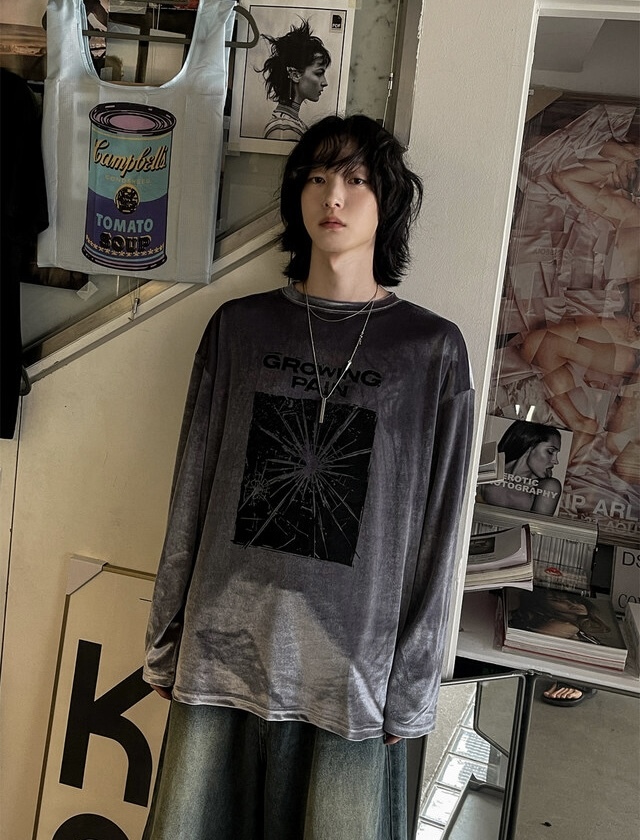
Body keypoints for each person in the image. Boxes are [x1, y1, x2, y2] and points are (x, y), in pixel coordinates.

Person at [142, 114, 474, 839]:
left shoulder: (430, 352)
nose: (334, 196)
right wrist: (165, 640)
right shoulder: (240, 329)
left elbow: (441, 532)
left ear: (387, 201)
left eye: (356, 179)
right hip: (222, 652)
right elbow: (192, 489)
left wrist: (413, 685)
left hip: (352, 673)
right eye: (317, 177)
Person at [258, 19, 330, 141]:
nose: (325, 82)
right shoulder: (283, 130)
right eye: (319, 73)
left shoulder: (291, 124)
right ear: (295, 75)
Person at [478, 420, 563, 515]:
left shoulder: (547, 486)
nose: (556, 461)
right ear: (530, 446)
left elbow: (536, 524)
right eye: (550, 451)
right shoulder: (487, 471)